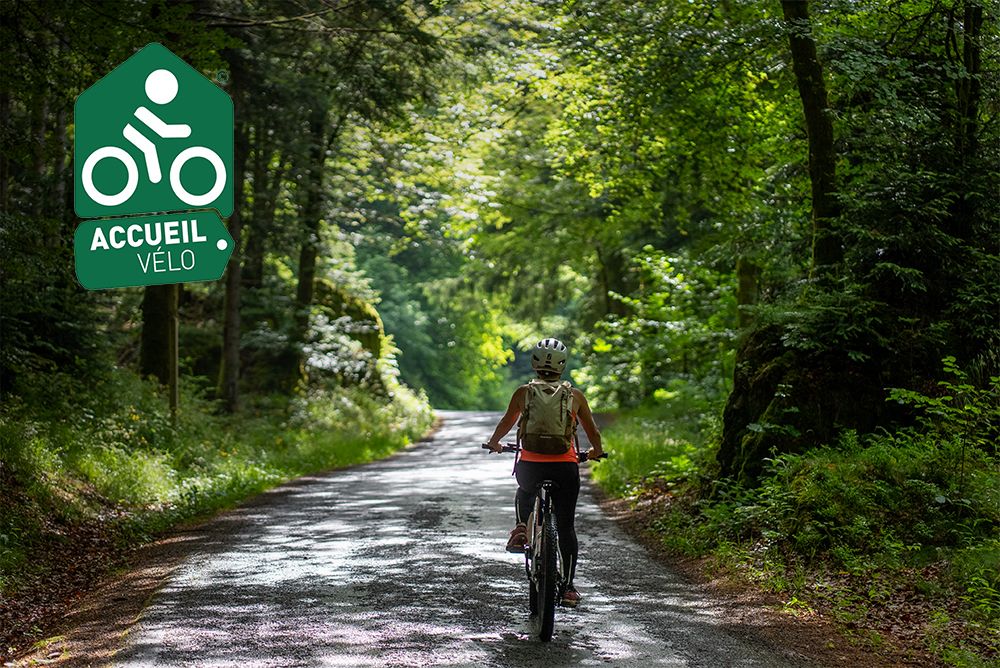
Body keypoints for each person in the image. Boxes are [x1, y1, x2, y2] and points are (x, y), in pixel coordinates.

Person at [485, 338, 603, 608]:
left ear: (535, 363)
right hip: (565, 468)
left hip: (531, 465)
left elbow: (507, 421)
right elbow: (592, 431)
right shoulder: (575, 396)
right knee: (566, 527)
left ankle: (520, 529)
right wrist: (595, 451)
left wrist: (495, 443)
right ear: (562, 364)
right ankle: (569, 588)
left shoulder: (523, 393)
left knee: (524, 489)